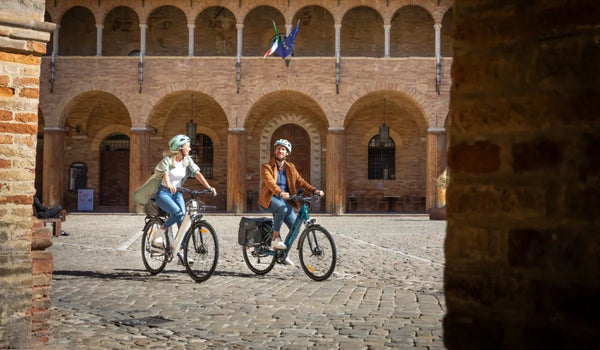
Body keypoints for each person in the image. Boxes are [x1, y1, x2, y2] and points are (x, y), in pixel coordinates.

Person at [133, 134, 217, 264]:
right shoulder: (167, 160)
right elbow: (165, 173)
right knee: (177, 213)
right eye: (187, 147)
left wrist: (209, 187)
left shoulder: (187, 160)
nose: (189, 149)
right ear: (179, 148)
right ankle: (159, 233)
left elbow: (197, 174)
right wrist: (169, 184)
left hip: (177, 193)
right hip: (164, 193)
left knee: (183, 219)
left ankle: (181, 252)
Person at [258, 139, 324, 266]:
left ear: (287, 153)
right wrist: (280, 192)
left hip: (284, 200)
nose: (280, 151)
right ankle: (275, 239)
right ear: (275, 151)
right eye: (278, 148)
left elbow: (301, 182)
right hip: (270, 198)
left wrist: (314, 190)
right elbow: (270, 182)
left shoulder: (291, 167)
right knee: (282, 208)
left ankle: (283, 254)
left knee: (296, 227)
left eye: (283, 149)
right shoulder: (267, 166)